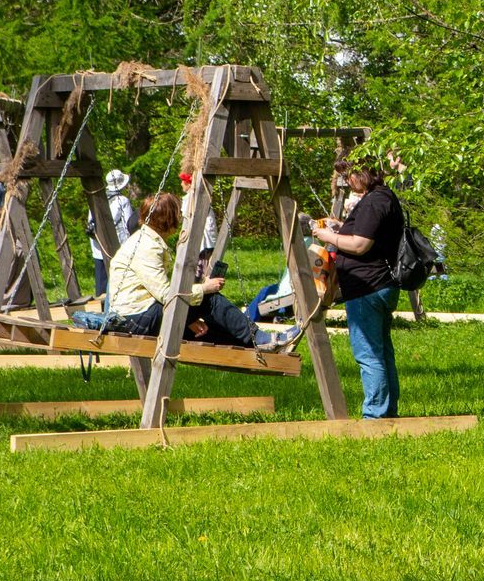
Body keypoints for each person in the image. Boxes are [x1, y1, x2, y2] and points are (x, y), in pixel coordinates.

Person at [105, 193, 298, 351]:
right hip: (136, 319)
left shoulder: (147, 240)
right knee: (209, 300)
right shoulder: (147, 247)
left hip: (138, 315)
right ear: (169, 219)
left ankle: (256, 347)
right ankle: (259, 338)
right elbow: (166, 295)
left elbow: (163, 292)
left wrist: (188, 319)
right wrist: (204, 288)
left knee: (201, 331)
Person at [310, 161, 404, 418]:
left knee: (369, 354)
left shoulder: (375, 201)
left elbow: (361, 245)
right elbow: (369, 233)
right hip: (378, 284)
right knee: (382, 352)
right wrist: (341, 227)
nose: (347, 180)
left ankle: (375, 415)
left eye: (348, 174)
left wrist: (327, 237)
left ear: (362, 173)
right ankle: (386, 410)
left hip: (367, 287)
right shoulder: (382, 198)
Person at [88, 168, 137, 299]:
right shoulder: (123, 200)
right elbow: (129, 224)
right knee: (119, 281)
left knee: (102, 284)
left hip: (98, 247)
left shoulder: (97, 198)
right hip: (118, 247)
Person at [177, 171, 218, 251]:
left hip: (202, 239)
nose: (181, 184)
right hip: (199, 237)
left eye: (183, 181)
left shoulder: (195, 198)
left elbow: (188, 216)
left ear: (189, 184)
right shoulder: (190, 198)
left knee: (202, 260)